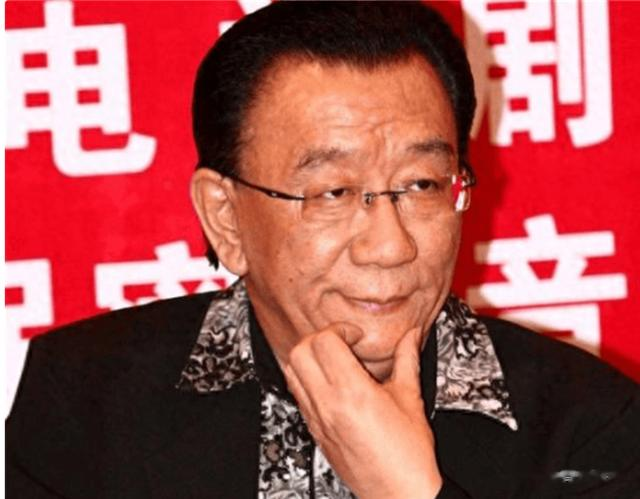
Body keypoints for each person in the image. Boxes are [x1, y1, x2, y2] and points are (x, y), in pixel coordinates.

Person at [6, 2, 639, 498]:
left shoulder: (588, 424)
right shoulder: (86, 403)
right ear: (225, 217)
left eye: (421, 185)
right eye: (333, 192)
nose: (389, 247)